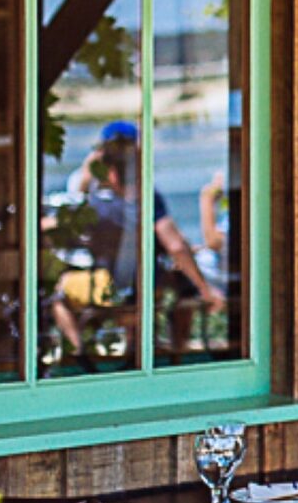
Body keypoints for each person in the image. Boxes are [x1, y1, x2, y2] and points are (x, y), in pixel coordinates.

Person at [50, 123, 225, 359]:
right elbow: (175, 246)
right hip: (145, 287)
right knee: (183, 284)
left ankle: (79, 353)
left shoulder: (95, 203)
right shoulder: (143, 198)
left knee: (59, 295)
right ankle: (176, 354)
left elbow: (63, 230)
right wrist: (205, 289)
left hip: (104, 286)